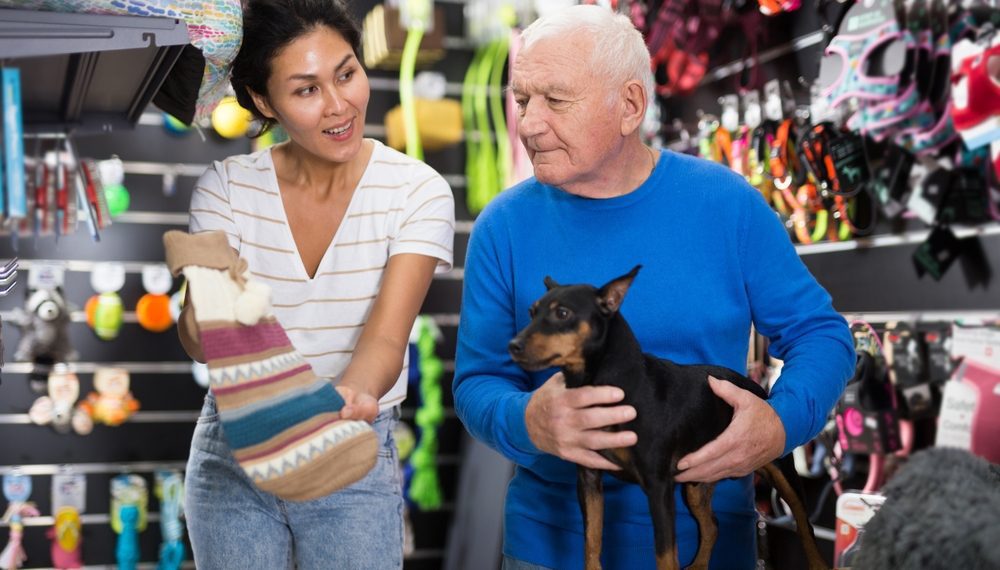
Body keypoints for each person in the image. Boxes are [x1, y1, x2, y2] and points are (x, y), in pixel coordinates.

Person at [453, 5, 854, 569]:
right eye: (522, 99)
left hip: (708, 551)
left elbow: (820, 334)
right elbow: (477, 383)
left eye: (555, 100)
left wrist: (782, 421)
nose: (529, 123)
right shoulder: (502, 226)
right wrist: (526, 420)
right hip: (554, 552)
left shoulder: (726, 203)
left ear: (630, 106)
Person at [179, 0, 455, 567]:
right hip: (236, 456)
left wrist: (350, 399)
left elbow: (385, 338)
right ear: (263, 101)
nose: (339, 105)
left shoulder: (417, 191)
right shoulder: (226, 188)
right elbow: (201, 342)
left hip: (348, 447)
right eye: (306, 90)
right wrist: (205, 294)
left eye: (346, 73)